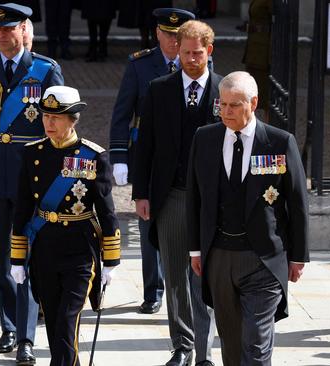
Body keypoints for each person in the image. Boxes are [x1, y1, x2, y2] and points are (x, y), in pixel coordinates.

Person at [0, 3, 64, 364]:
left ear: (25, 30)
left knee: (27, 258)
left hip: (30, 180)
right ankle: (7, 325)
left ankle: (25, 337)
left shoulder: (45, 70)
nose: (3, 35)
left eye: (10, 29)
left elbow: (59, 129)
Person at [187, 71, 309, 365]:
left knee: (255, 344)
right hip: (219, 255)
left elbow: (297, 201)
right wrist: (195, 249)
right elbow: (194, 199)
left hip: (264, 256)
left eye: (235, 105)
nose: (226, 112)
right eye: (222, 105)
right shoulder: (205, 138)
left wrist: (298, 256)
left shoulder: (280, 142)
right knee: (231, 342)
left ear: (253, 103)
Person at [10, 85, 121, 365]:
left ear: (72, 119)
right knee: (53, 323)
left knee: (66, 323)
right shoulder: (32, 154)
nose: (49, 122)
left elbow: (106, 211)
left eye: (56, 117)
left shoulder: (93, 156)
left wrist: (111, 260)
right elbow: (23, 209)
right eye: (46, 116)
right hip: (45, 247)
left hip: (80, 250)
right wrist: (17, 257)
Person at [133, 19, 220, 366]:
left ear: (209, 51)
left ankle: (204, 350)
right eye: (185, 52)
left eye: (197, 53)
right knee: (174, 275)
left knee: (205, 274)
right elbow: (146, 146)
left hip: (211, 199)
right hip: (170, 195)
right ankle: (182, 345)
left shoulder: (223, 91)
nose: (191, 59)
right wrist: (141, 193)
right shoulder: (159, 89)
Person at [109, 7, 195, 316]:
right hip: (150, 152)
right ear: (157, 33)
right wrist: (119, 156)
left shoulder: (197, 62)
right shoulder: (140, 65)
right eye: (168, 34)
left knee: (187, 225)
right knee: (149, 226)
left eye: (178, 35)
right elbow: (122, 114)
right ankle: (153, 290)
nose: (173, 41)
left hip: (186, 157)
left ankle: (185, 286)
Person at [242, 0, 272, 116]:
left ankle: (268, 131)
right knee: (250, 95)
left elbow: (278, 21)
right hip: (254, 51)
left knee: (266, 100)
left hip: (264, 54)